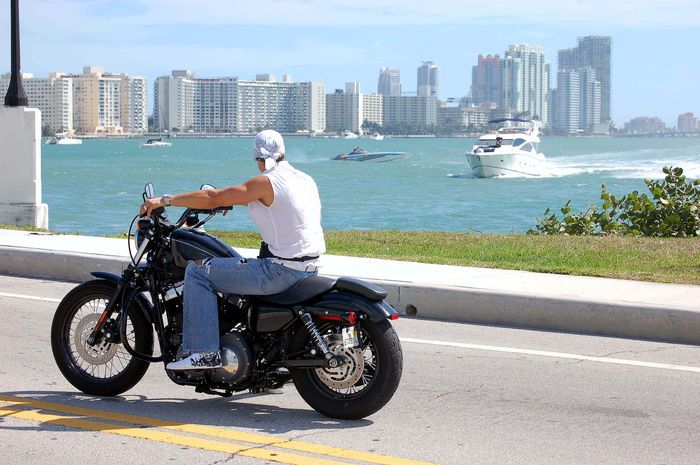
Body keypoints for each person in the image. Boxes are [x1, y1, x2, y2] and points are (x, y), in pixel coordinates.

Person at [141, 130, 326, 370]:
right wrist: (227, 201)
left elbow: (212, 196)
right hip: (309, 268)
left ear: (259, 157)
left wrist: (164, 200)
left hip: (280, 272)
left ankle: (203, 352)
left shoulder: (265, 182)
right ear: (283, 152)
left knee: (197, 272)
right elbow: (283, 212)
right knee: (236, 263)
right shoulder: (304, 179)